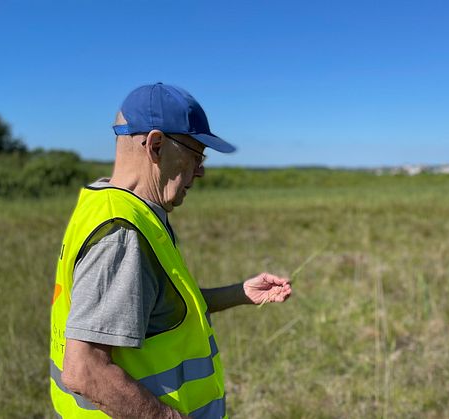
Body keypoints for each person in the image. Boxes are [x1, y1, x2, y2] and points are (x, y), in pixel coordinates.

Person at [49, 83, 292, 418]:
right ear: (156, 145)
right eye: (196, 155)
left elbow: (155, 309)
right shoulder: (122, 233)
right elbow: (85, 371)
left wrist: (240, 293)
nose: (202, 170)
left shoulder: (112, 207)